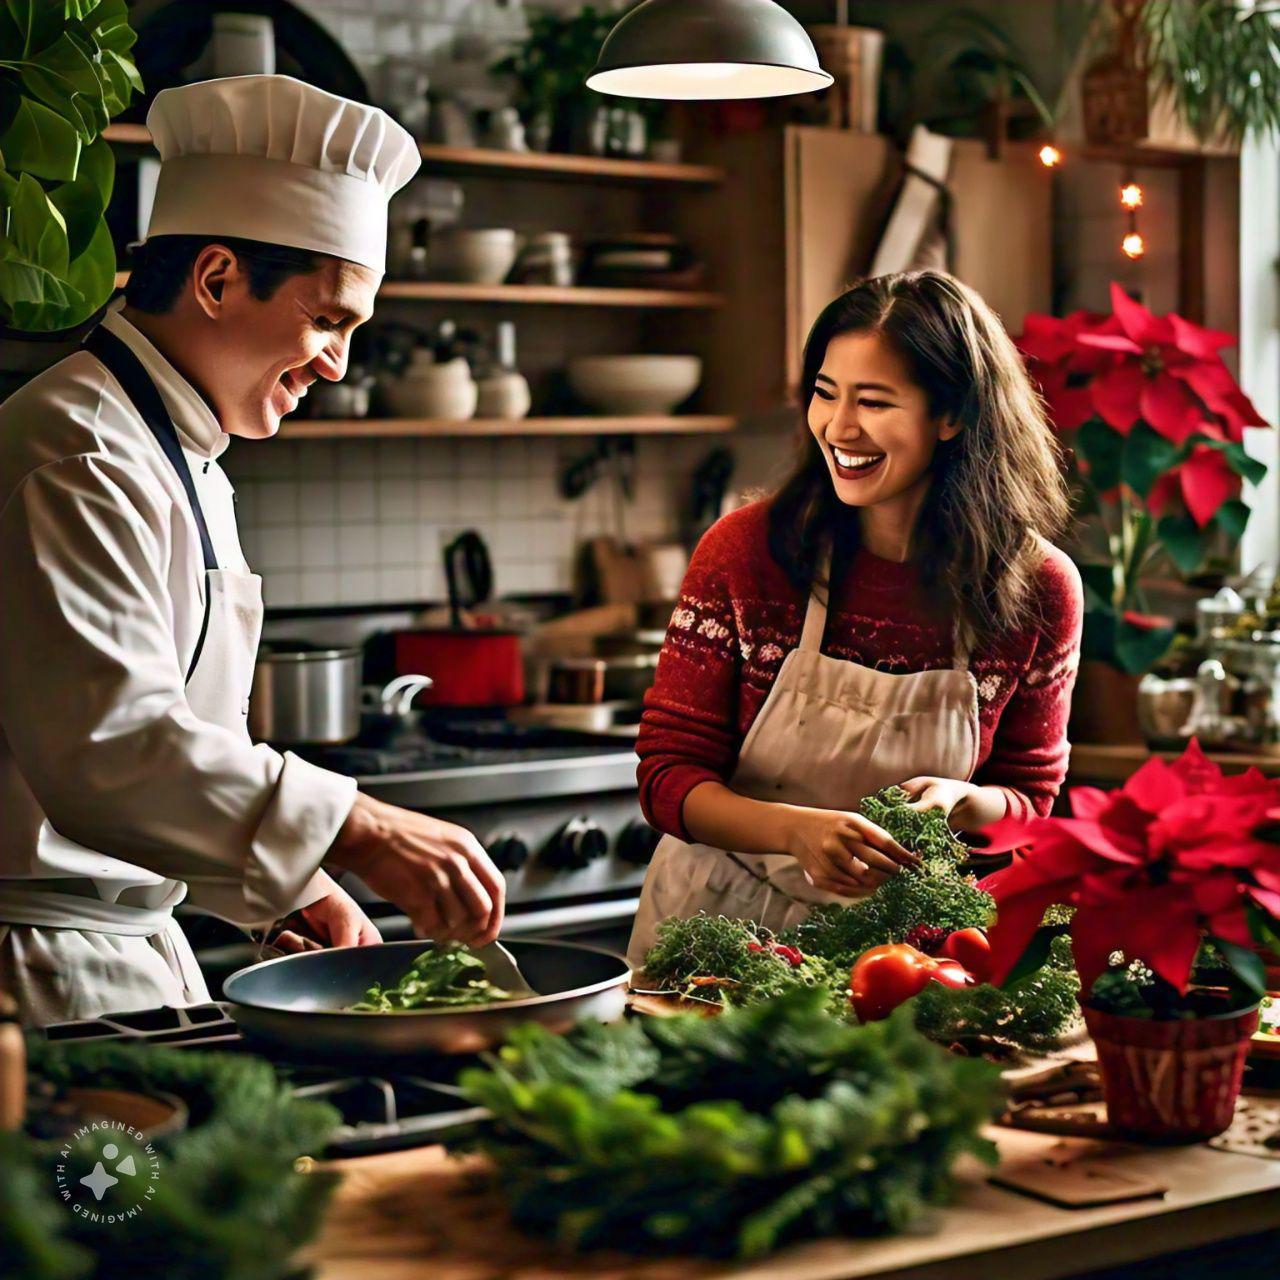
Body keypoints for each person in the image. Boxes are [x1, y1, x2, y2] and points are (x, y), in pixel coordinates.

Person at [0, 76, 504, 1026]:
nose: (337, 365)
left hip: (130, 951)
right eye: (328, 319)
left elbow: (181, 746)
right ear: (218, 279)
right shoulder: (75, 451)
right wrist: (357, 825)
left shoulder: (180, 453)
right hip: (44, 979)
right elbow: (110, 748)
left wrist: (289, 885)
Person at [628, 271, 1083, 964]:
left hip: (899, 956)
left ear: (952, 414)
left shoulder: (1038, 589)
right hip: (715, 932)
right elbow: (666, 778)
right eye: (825, 393)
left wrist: (967, 803)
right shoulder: (747, 554)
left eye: (874, 401)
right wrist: (792, 832)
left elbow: (1030, 799)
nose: (838, 428)